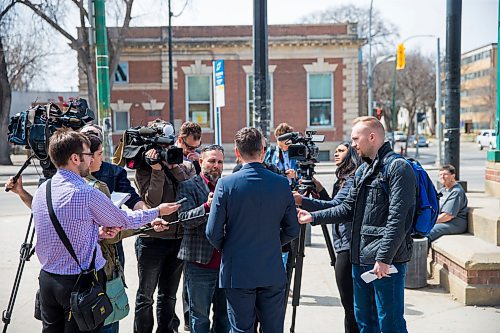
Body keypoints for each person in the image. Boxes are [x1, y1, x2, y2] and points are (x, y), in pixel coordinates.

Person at [29, 128, 180, 333]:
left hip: (48, 281)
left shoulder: (42, 190)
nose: (91, 160)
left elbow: (59, 231)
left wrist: (96, 234)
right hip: (79, 283)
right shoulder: (85, 193)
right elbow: (123, 220)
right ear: (75, 158)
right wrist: (156, 212)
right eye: (88, 155)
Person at [297, 116, 417, 333]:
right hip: (359, 258)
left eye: (355, 138)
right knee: (364, 322)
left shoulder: (399, 168)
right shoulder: (362, 170)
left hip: (385, 263)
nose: (352, 144)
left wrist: (383, 258)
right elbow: (346, 209)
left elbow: (398, 220)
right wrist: (312, 217)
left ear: (372, 137)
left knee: (390, 323)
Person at [206, 127, 299, 333]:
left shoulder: (225, 184)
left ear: (237, 153)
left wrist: (230, 247)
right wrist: (273, 243)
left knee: (240, 329)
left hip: (237, 270)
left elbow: (212, 232)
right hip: (271, 268)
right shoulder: (281, 183)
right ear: (263, 151)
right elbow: (293, 229)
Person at [134, 121, 200, 333]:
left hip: (177, 240)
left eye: (168, 147)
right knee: (146, 296)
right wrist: (157, 171)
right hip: (152, 240)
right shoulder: (144, 170)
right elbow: (152, 203)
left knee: (168, 295)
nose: (166, 152)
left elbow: (189, 190)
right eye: (161, 149)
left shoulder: (184, 165)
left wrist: (174, 166)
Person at [293, 142, 361, 333]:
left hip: (348, 245)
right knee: (350, 304)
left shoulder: (352, 178)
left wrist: (303, 201)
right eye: (336, 150)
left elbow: (337, 208)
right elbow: (333, 204)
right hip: (343, 242)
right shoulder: (343, 179)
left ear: (352, 155)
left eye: (341, 150)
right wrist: (319, 188)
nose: (336, 154)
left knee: (350, 304)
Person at [176, 144, 229, 333]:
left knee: (224, 318)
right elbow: (184, 219)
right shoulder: (188, 186)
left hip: (226, 265)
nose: (216, 165)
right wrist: (207, 206)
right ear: (201, 162)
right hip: (199, 265)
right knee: (199, 318)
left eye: (220, 162)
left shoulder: (228, 186)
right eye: (212, 161)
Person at [428, 164, 468, 243]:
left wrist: (430, 222)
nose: (442, 177)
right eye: (440, 175)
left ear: (453, 176)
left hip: (454, 223)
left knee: (427, 232)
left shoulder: (456, 192)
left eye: (445, 174)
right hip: (443, 221)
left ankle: (421, 254)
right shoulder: (443, 190)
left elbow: (447, 216)